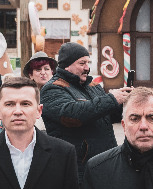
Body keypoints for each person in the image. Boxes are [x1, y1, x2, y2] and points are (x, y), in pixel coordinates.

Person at [42, 41, 128, 173]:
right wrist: (112, 99)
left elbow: (108, 115)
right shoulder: (52, 88)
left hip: (105, 161)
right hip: (78, 167)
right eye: (82, 63)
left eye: (88, 63)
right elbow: (73, 115)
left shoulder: (92, 85)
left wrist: (123, 103)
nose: (87, 68)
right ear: (66, 66)